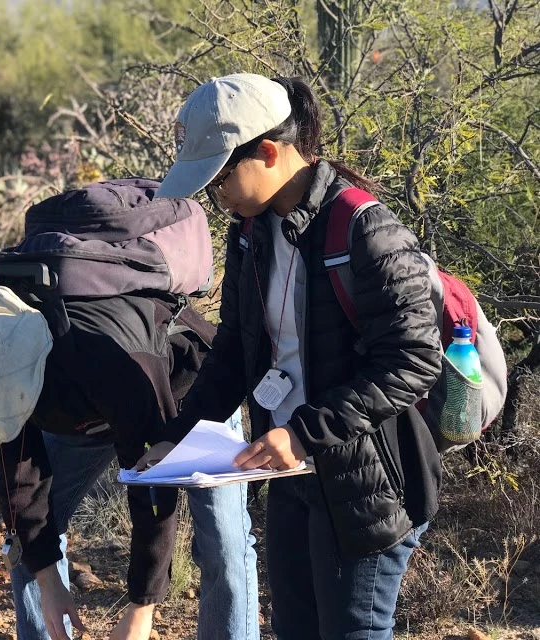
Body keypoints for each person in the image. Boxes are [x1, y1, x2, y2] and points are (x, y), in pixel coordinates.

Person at [141, 74, 443, 639]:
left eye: (219, 177)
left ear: (269, 152)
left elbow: (413, 359)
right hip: (290, 475)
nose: (215, 196)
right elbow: (234, 350)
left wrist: (305, 434)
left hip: (365, 482)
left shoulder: (364, 228)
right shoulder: (251, 234)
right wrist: (179, 437)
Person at [0, 187, 259, 640]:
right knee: (29, 546)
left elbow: (153, 489)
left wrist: (142, 605)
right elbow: (19, 483)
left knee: (224, 544)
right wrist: (49, 581)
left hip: (183, 396)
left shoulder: (103, 355)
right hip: (77, 411)